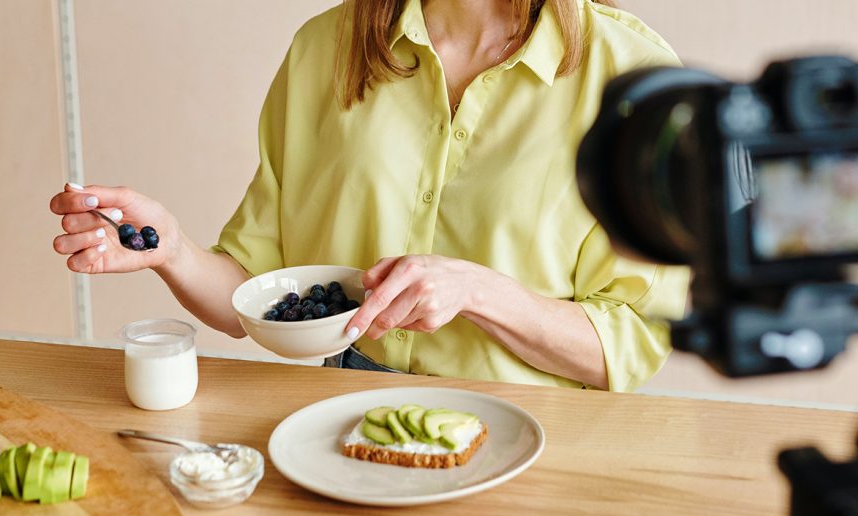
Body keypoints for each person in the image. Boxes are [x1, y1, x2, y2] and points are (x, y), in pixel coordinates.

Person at [50, 0, 690, 392]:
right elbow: (255, 289)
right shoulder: (322, 51)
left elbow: (630, 344)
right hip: (345, 419)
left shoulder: (629, 74)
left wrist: (477, 291)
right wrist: (171, 248)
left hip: (539, 429)